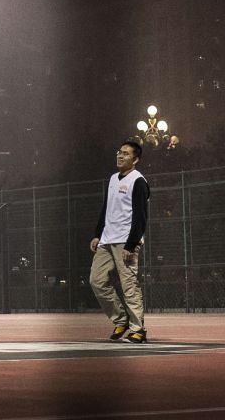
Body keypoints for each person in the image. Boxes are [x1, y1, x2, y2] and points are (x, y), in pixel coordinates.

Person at [89, 140, 150, 343]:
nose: (120, 155)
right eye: (119, 152)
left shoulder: (138, 181)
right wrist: (98, 234)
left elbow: (141, 217)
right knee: (96, 281)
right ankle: (121, 320)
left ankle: (138, 329)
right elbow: (105, 208)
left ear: (135, 159)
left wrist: (131, 244)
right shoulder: (113, 179)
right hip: (107, 240)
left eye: (125, 153)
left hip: (125, 242)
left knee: (129, 285)